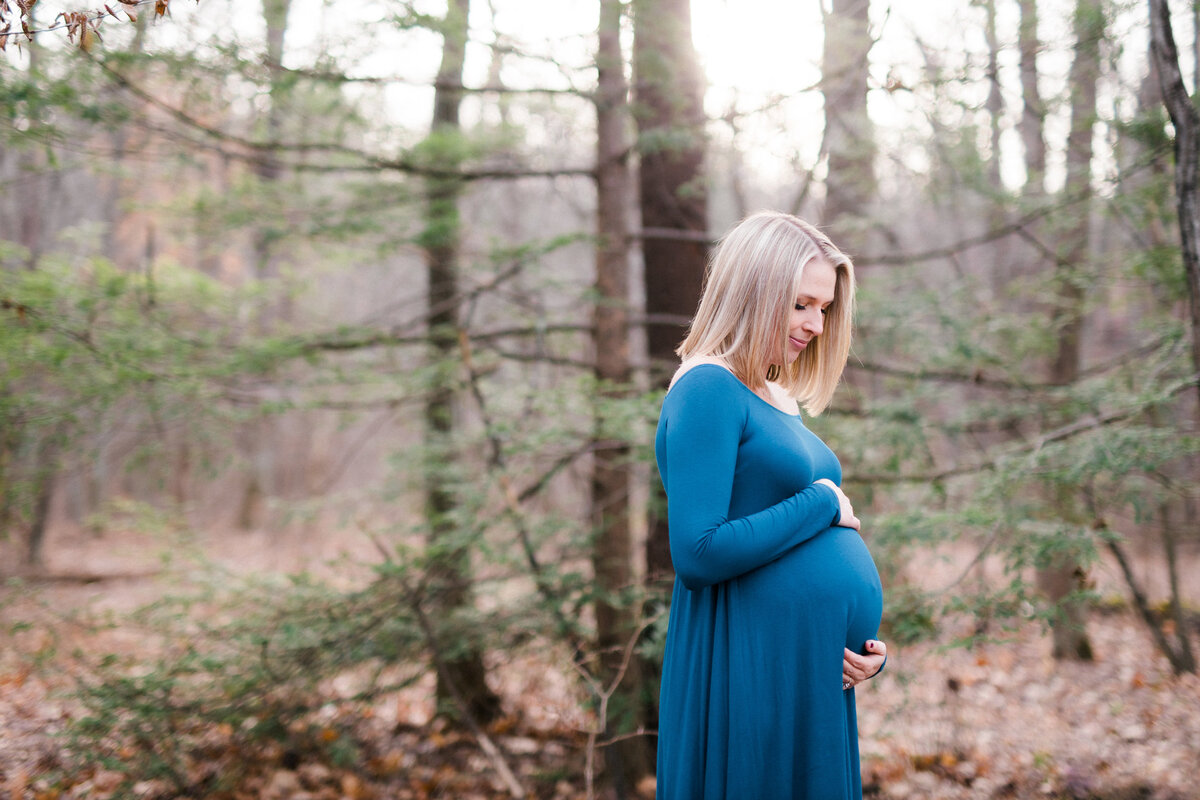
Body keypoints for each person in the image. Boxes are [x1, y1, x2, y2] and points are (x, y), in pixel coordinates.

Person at [654, 211, 887, 800]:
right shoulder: (707, 387)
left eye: (824, 308)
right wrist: (821, 503)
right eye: (801, 304)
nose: (814, 324)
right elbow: (699, 553)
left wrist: (861, 652)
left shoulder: (775, 394)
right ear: (755, 291)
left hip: (803, 670)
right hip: (745, 667)